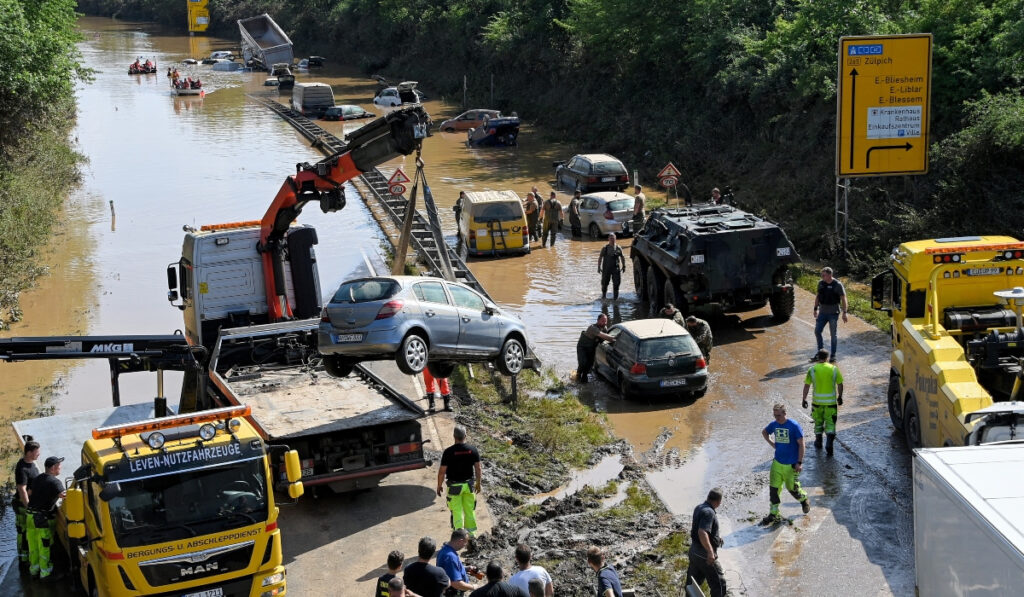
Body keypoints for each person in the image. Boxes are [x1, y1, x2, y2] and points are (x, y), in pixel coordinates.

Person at [761, 403, 810, 524]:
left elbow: (802, 444)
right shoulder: (774, 425)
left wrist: (799, 462)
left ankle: (803, 500)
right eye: (774, 415)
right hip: (777, 463)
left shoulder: (794, 426)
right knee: (774, 489)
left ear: (784, 413)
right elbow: (764, 432)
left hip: (791, 465)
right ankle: (773, 514)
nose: (776, 418)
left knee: (793, 489)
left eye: (778, 415)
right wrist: (772, 444)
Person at [437, 426, 483, 536]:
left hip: (454, 487)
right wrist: (478, 483)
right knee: (470, 511)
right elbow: (478, 468)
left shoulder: (448, 452)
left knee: (457, 511)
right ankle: (472, 536)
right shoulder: (472, 450)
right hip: (469, 486)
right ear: (465, 436)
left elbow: (442, 472)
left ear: (454, 436)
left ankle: (459, 537)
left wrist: (439, 485)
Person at [27, 456, 65, 580]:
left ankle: (34, 570)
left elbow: (29, 493)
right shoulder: (54, 482)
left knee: (33, 545)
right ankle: (45, 573)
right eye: (59, 466)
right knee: (44, 546)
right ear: (53, 468)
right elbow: (65, 496)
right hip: (42, 519)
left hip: (30, 516)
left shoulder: (37, 479)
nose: (61, 468)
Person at [802, 349, 845, 456]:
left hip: (817, 403)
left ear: (817, 357)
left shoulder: (812, 370)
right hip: (830, 404)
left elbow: (807, 386)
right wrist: (840, 397)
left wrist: (804, 399)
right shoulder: (834, 369)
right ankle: (829, 443)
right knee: (830, 423)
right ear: (827, 357)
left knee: (818, 422)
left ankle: (818, 441)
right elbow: (840, 384)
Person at [686, 488, 727, 597]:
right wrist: (710, 552)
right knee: (719, 584)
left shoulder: (699, 508)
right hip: (704, 555)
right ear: (718, 502)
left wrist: (716, 538)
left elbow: (697, 528)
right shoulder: (709, 512)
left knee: (693, 583)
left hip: (694, 551)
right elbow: (702, 532)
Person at [12, 439, 41, 567]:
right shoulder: (22, 468)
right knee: (23, 532)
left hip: (30, 503)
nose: (38, 454)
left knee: (29, 531)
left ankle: (29, 555)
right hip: (22, 506)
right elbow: (22, 489)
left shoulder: (32, 464)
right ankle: (23, 560)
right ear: (29, 453)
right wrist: (28, 507)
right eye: (36, 452)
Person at [812, 267, 848, 363]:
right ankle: (821, 353)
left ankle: (833, 355)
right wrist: (815, 309)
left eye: (823, 275)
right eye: (821, 275)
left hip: (833, 313)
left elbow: (844, 298)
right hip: (822, 312)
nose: (822, 277)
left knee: (833, 335)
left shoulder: (837, 285)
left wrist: (845, 312)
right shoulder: (820, 283)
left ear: (830, 275)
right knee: (817, 331)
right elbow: (818, 296)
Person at [437, 528, 478, 595]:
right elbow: (456, 583)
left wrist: (466, 568)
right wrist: (473, 587)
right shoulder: (450, 557)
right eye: (465, 543)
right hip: (453, 593)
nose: (465, 546)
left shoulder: (445, 550)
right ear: (460, 541)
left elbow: (450, 569)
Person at [576, 314, 615, 383]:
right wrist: (614, 338)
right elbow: (604, 336)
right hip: (582, 348)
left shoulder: (604, 328)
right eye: (602, 321)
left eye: (606, 321)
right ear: (598, 320)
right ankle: (578, 374)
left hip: (592, 348)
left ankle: (583, 380)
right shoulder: (592, 328)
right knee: (583, 363)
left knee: (589, 366)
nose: (604, 323)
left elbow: (606, 338)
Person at [597, 233, 626, 300]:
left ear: (615, 239)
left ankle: (615, 299)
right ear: (608, 239)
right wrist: (599, 267)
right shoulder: (605, 248)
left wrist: (624, 266)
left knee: (616, 284)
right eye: (611, 238)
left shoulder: (618, 248)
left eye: (613, 238)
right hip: (606, 269)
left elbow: (622, 257)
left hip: (616, 269)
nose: (612, 240)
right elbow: (600, 257)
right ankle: (604, 296)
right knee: (604, 284)